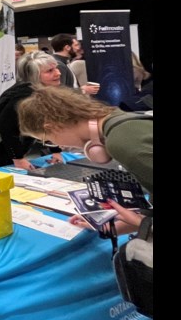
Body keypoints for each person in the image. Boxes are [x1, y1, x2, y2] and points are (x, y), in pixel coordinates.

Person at [17, 85, 153, 229]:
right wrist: (107, 227)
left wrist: (141, 223)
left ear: (53, 127)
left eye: (48, 140)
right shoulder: (120, 121)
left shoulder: (121, 142)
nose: (58, 146)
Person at [0, 51, 66, 170]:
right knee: (1, 171)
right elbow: (7, 126)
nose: (58, 73)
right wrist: (18, 159)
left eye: (56, 68)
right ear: (34, 75)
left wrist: (56, 151)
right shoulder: (26, 94)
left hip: (10, 135)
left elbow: (47, 124)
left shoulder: (47, 91)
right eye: (49, 71)